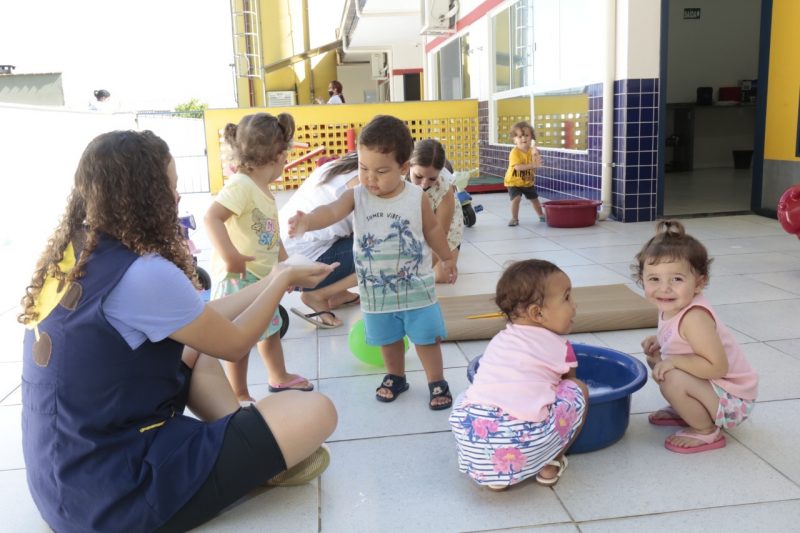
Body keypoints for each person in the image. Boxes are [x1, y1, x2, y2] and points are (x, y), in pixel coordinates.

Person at [19, 130, 338, 532]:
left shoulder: (78, 251)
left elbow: (198, 323)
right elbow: (235, 343)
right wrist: (279, 284)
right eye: (169, 187)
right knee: (316, 410)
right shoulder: (143, 273)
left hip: (66, 480)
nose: (176, 198)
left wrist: (277, 274)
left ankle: (247, 447)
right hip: (116, 497)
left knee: (195, 348)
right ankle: (252, 454)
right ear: (142, 196)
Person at [287, 115, 457, 410]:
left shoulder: (415, 197)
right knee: (388, 339)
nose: (370, 178)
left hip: (416, 288)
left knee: (426, 337)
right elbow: (331, 211)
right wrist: (308, 221)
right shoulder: (356, 196)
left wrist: (446, 257)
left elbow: (432, 231)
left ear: (403, 168)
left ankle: (436, 380)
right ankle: (395, 376)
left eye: (380, 171)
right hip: (377, 291)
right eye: (363, 168)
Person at [449, 259, 588, 491]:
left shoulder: (499, 340)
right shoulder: (561, 347)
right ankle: (550, 462)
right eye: (567, 297)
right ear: (537, 313)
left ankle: (494, 475)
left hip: (472, 438)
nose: (574, 305)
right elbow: (567, 382)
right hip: (527, 441)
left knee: (467, 396)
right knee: (578, 388)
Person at [205, 112, 312, 402]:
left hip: (261, 277)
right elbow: (212, 218)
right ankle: (238, 392)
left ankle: (278, 377)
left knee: (270, 329)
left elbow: (270, 233)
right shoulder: (241, 185)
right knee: (238, 340)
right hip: (239, 278)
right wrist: (231, 257)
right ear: (278, 156)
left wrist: (285, 266)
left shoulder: (260, 188)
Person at [635, 220, 758, 454]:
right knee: (657, 360)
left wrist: (674, 362)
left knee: (670, 376)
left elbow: (717, 367)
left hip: (732, 400)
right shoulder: (671, 305)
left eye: (677, 279)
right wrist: (661, 340)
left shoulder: (695, 318)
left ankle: (705, 430)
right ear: (642, 279)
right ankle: (686, 408)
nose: (664, 288)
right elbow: (680, 340)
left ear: (699, 283)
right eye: (654, 279)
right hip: (714, 388)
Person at [279, 152, 360, 328]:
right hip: (302, 268)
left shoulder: (339, 165)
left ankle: (338, 293)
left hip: (283, 255)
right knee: (384, 252)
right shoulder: (362, 182)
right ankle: (319, 294)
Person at [408, 139, 464, 283]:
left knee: (442, 277)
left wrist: (420, 272)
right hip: (413, 223)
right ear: (409, 165)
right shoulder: (398, 179)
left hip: (443, 228)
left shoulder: (445, 188)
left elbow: (440, 232)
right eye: (418, 176)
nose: (424, 183)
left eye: (432, 178)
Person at [504, 120, 545, 226]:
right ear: (514, 140)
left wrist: (536, 154)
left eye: (527, 135)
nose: (524, 138)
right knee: (516, 199)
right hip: (513, 181)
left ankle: (541, 215)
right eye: (520, 136)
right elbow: (517, 167)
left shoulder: (533, 150)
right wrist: (533, 165)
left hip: (527, 182)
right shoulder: (514, 152)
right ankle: (514, 218)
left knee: (534, 199)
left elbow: (537, 162)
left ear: (531, 137)